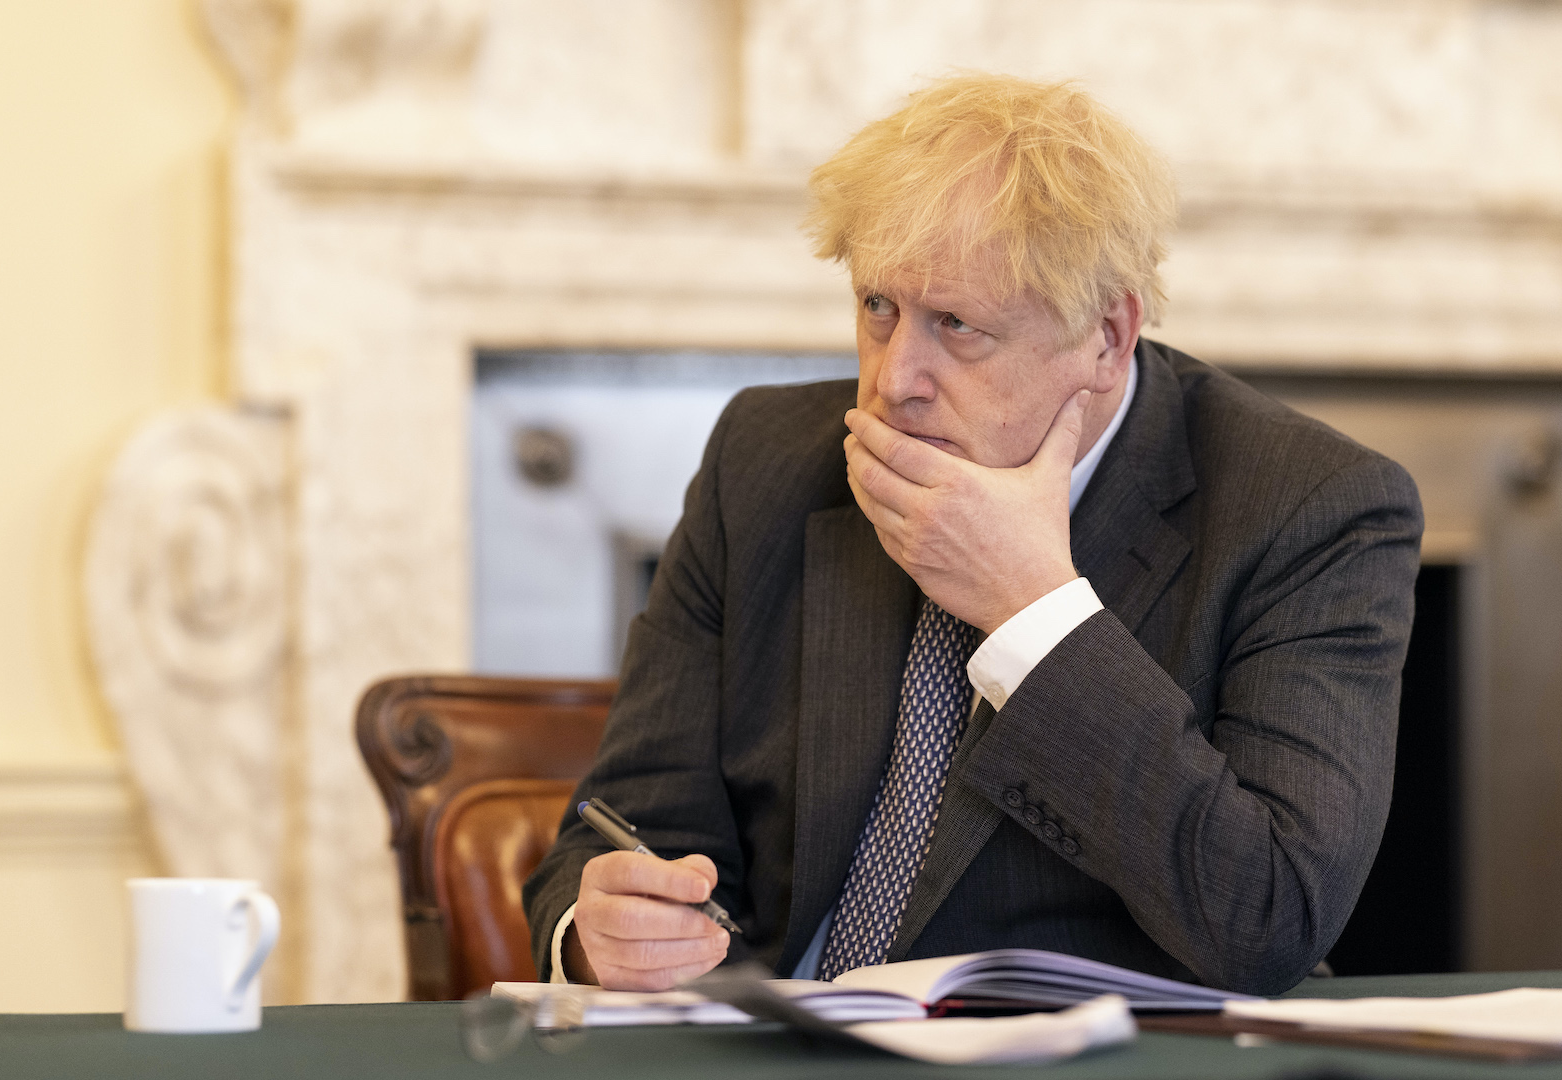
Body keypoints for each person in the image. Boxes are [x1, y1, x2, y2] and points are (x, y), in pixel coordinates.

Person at [523, 73, 1422, 996]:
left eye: (956, 324)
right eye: (879, 308)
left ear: (1107, 336)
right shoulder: (762, 463)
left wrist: (1033, 611)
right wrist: (600, 934)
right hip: (775, 1044)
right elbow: (622, 831)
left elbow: (1270, 920)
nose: (894, 378)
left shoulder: (1314, 508)